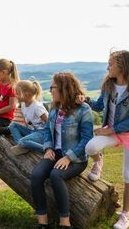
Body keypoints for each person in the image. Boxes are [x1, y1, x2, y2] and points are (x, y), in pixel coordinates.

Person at [84, 50, 129, 229]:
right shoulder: (108, 85)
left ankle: (126, 215)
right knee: (90, 148)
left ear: (122, 66)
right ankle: (98, 162)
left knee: (128, 175)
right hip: (111, 132)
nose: (107, 67)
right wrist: (85, 100)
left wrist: (110, 129)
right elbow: (98, 105)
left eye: (110, 64)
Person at [30, 73, 93, 229]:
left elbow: (87, 139)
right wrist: (48, 147)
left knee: (55, 175)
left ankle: (65, 223)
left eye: (53, 87)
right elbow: (46, 130)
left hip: (77, 159)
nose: (50, 90)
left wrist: (69, 158)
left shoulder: (83, 109)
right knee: (36, 175)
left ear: (64, 88)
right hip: (55, 153)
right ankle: (43, 223)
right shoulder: (54, 108)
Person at [9, 79, 48, 155]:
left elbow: (50, 123)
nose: (15, 95)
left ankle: (45, 149)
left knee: (22, 141)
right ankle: (23, 146)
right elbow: (27, 121)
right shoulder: (23, 104)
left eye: (17, 93)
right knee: (13, 125)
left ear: (26, 94)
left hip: (43, 133)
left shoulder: (37, 107)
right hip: (32, 130)